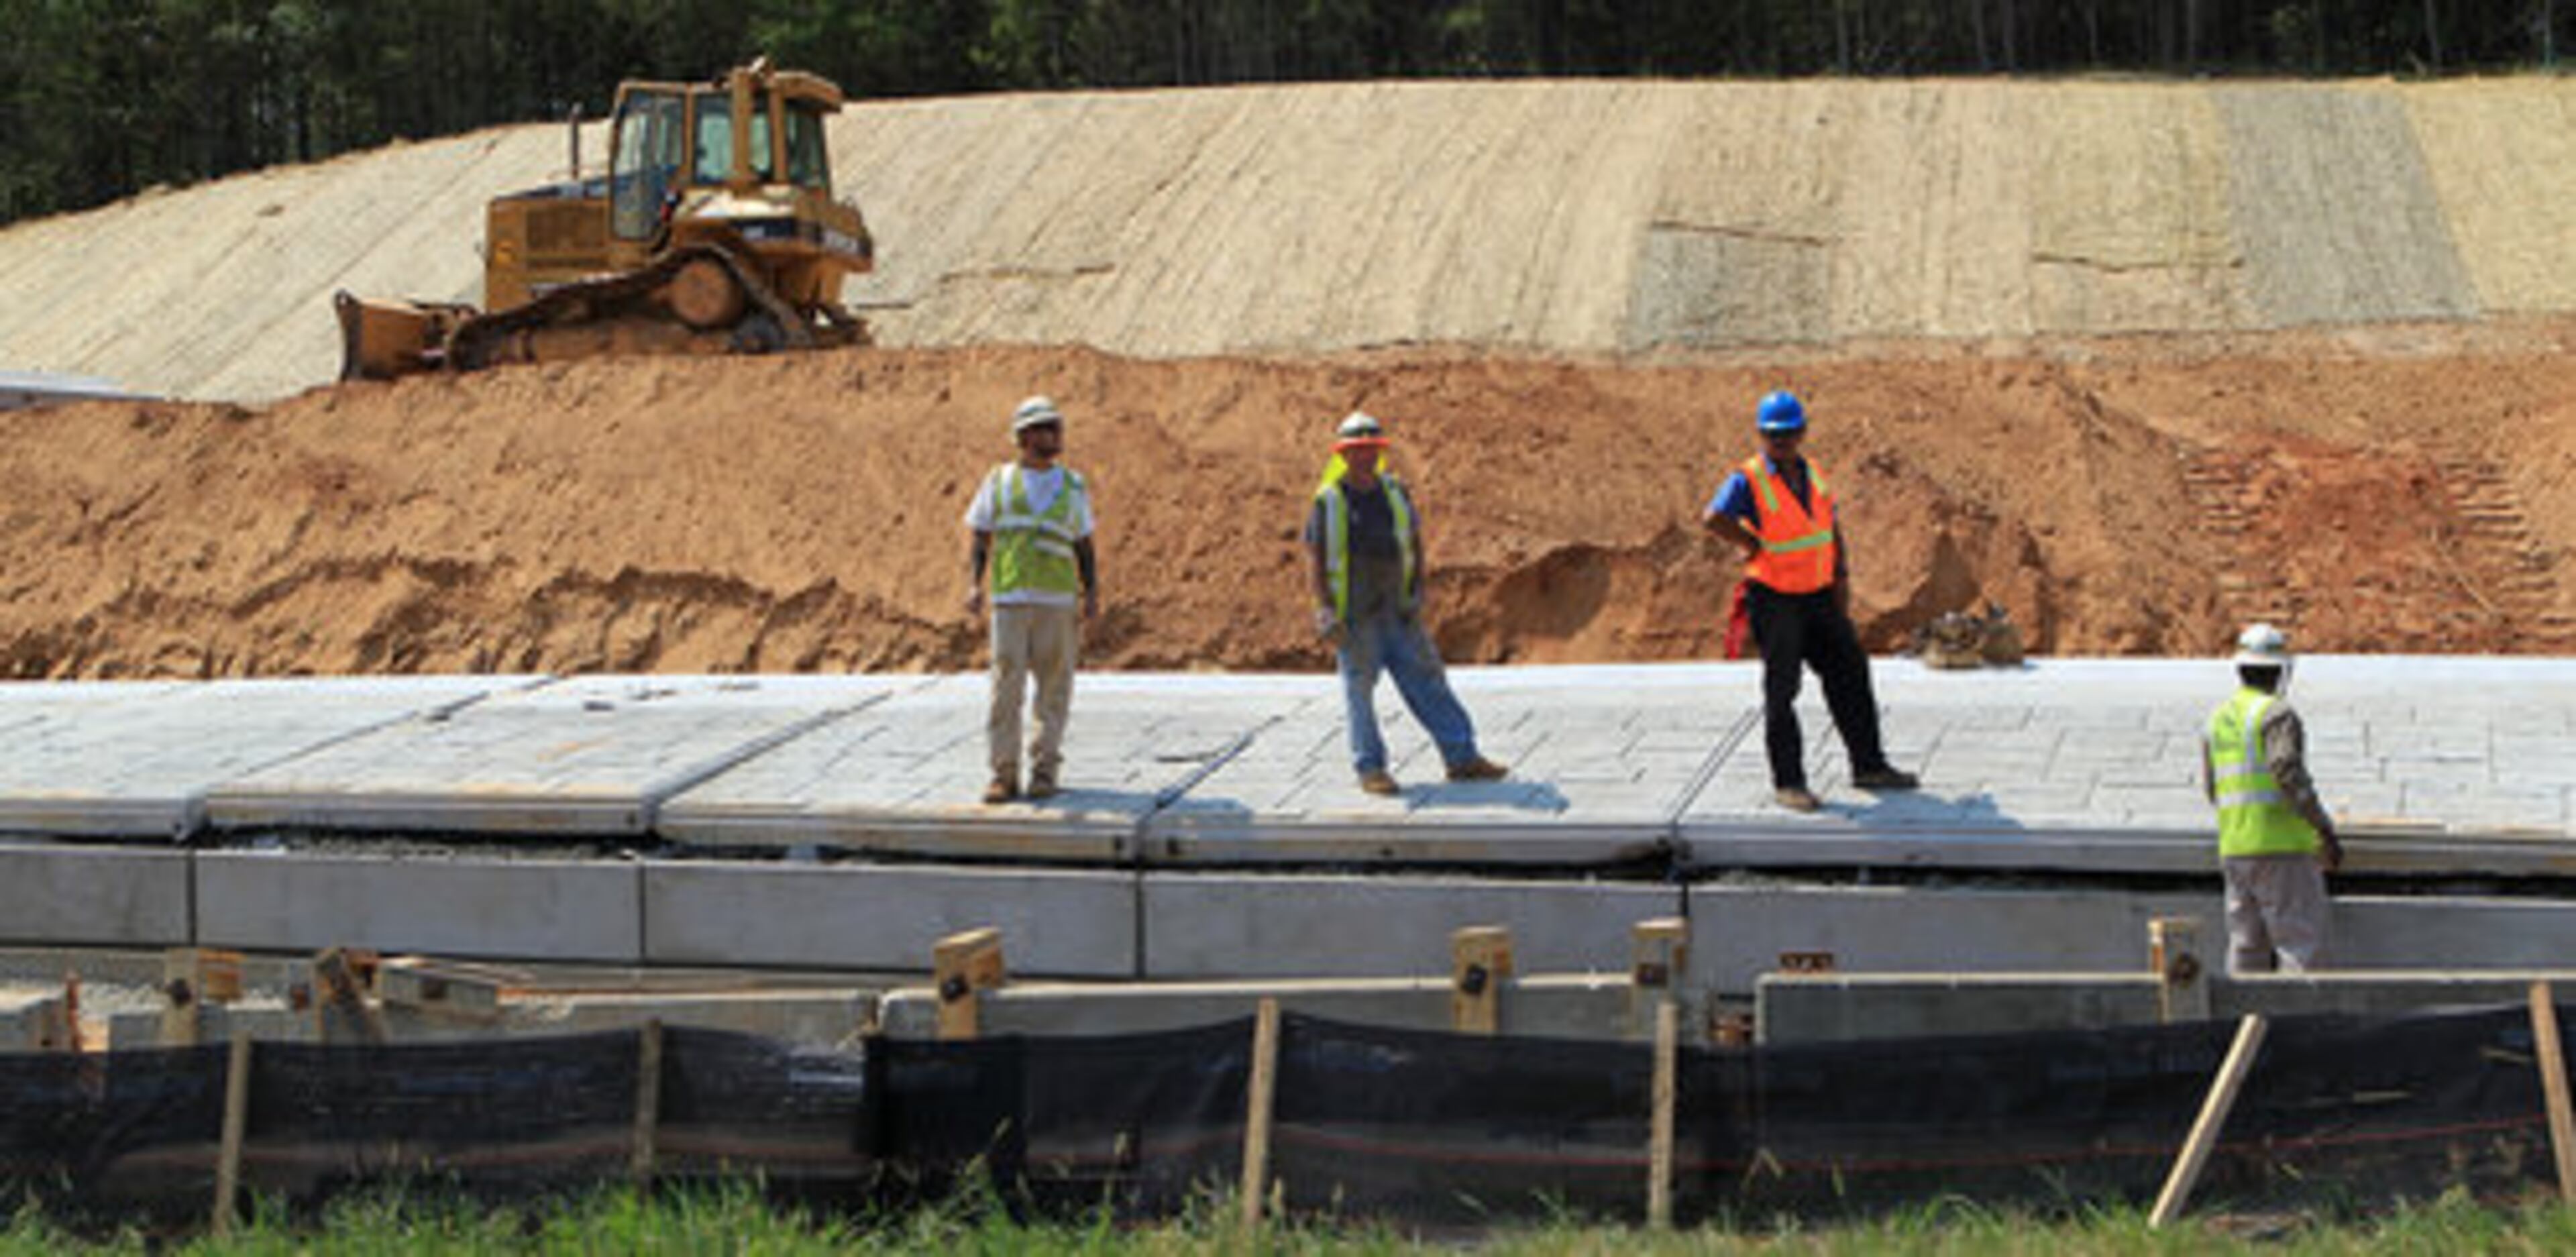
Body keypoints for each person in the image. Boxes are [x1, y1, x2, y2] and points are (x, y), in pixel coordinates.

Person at [1701, 389, 1919, 812]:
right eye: (1773, 435)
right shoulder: (1749, 479)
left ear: (1802, 432)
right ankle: (1789, 782)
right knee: (1783, 690)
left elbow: (1829, 528)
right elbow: (1713, 518)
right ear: (1762, 436)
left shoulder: (1813, 473)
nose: (1781, 442)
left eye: (1788, 434)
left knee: (1850, 673)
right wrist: (1750, 544)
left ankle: (1869, 765)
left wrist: (1841, 577)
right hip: (1775, 599)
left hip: (1818, 596)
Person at [1304, 412, 1508, 795]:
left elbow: (1413, 541)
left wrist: (1416, 590)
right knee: (1359, 693)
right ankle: (1371, 768)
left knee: (1429, 680)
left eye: (1371, 449)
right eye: (1357, 450)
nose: (1365, 456)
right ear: (1343, 455)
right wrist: (1325, 610)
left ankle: (1462, 758)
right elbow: (1316, 557)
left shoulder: (1395, 491)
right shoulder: (1329, 501)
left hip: (1397, 608)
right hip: (1356, 615)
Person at [964, 396, 1098, 804]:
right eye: (1047, 429)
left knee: (1054, 690)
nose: (1056, 435)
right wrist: (974, 585)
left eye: (1057, 427)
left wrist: (1092, 591)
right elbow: (980, 535)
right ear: (1024, 437)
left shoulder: (1073, 486)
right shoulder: (999, 481)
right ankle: (1003, 775)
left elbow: (1084, 544)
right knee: (1005, 689)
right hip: (1011, 599)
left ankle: (1044, 771)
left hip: (1056, 601)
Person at [2201, 622, 2342, 974]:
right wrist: (2323, 829)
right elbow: (2287, 772)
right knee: (2300, 945)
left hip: (2235, 847)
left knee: (2247, 946)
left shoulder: (2217, 720)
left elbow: (2213, 787)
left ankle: (2242, 1009)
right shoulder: (2277, 714)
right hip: (2282, 848)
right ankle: (2300, 1012)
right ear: (2281, 672)